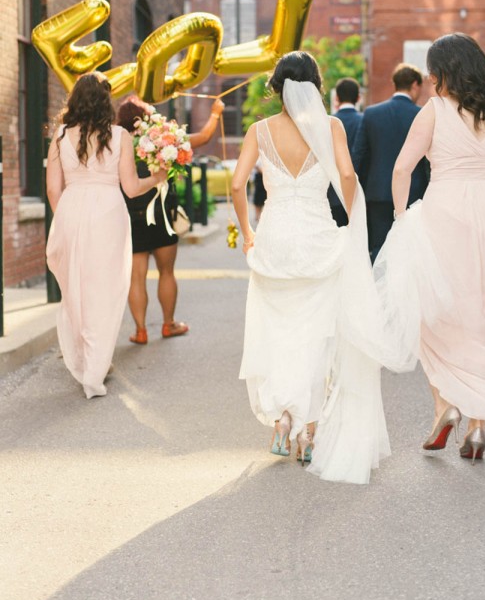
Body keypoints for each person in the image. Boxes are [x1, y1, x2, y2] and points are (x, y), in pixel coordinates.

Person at [232, 51, 396, 484]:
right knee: (318, 333)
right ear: (316, 86)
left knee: (278, 329)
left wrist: (248, 231)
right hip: (318, 238)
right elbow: (346, 175)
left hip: (275, 239)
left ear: (277, 88)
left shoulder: (259, 131)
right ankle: (308, 430)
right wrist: (354, 218)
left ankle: (282, 420)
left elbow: (235, 184)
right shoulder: (331, 127)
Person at [375, 34, 485, 464]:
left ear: (444, 72)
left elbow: (403, 168)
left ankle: (447, 406)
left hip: (443, 212)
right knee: (484, 317)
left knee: (434, 314)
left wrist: (403, 218)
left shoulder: (435, 111)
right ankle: (478, 427)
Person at [46, 73, 168, 399]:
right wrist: (156, 178)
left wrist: (67, 220)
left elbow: (52, 189)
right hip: (108, 215)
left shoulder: (59, 137)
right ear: (106, 101)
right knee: (105, 287)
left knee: (76, 286)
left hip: (71, 212)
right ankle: (97, 364)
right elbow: (130, 187)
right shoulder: (120, 136)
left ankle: (88, 359)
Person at [116, 96, 224, 344]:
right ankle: (168, 324)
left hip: (132, 217)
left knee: (136, 277)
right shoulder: (162, 139)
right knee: (167, 272)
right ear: (147, 119)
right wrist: (216, 113)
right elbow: (204, 137)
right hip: (163, 214)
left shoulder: (118, 145)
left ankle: (140, 330)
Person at [353, 63, 429, 261]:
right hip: (414, 194)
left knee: (379, 247)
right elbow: (430, 160)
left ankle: (379, 289)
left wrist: (357, 192)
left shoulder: (372, 113)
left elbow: (359, 155)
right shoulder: (423, 115)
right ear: (415, 85)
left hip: (378, 193)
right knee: (410, 248)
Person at [329, 77, 363, 227]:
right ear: (358, 98)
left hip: (331, 193)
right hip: (358, 192)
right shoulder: (364, 120)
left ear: (336, 98)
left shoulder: (327, 123)